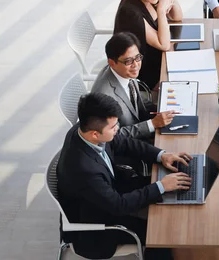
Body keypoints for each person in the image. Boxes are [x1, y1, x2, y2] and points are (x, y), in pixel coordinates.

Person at [57, 92, 191, 260]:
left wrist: (161, 155)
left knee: (168, 190)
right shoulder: (83, 170)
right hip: (97, 228)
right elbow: (119, 205)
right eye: (113, 127)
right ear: (95, 134)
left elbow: (124, 143)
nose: (118, 129)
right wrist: (161, 186)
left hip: (107, 192)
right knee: (160, 235)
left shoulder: (84, 130)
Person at [92, 32, 177, 143]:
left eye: (137, 57)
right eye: (128, 61)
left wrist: (161, 107)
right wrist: (153, 124)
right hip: (128, 146)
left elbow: (137, 103)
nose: (136, 65)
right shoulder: (104, 96)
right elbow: (113, 137)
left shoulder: (124, 72)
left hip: (139, 129)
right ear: (112, 63)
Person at [115, 0, 183, 90]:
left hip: (155, 58)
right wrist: (162, 12)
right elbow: (164, 45)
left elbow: (177, 17)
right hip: (139, 70)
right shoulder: (131, 13)